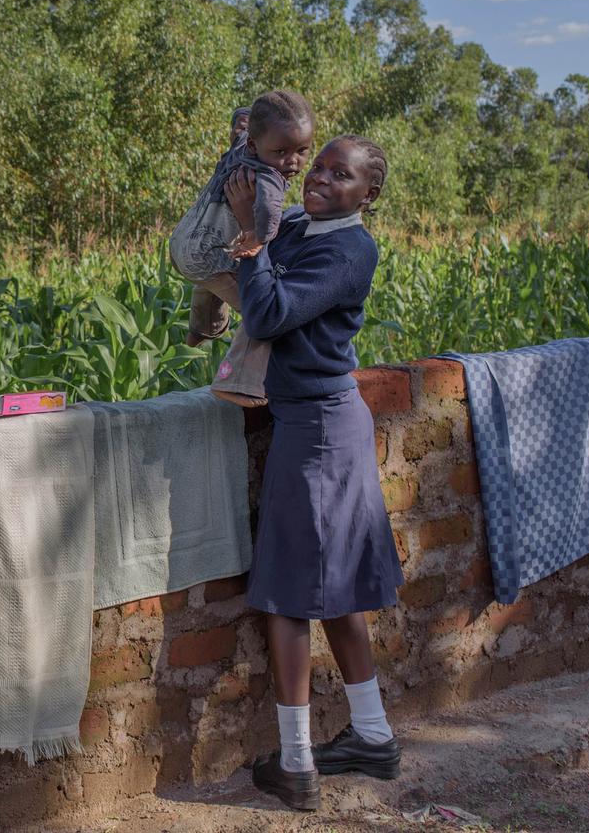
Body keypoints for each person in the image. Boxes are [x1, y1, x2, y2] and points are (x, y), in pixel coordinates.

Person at [223, 134, 404, 812]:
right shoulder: (303, 226)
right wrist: (255, 157)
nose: (321, 178)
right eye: (317, 165)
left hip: (318, 431)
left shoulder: (349, 250)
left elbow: (269, 313)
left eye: (340, 174)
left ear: (368, 194)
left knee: (289, 596)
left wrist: (250, 239)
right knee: (336, 589)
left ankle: (296, 763)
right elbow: (267, 212)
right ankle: (372, 736)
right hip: (320, 424)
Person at [168, 90, 315, 405]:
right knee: (262, 308)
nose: (292, 161)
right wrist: (260, 237)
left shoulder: (242, 146)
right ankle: (236, 382)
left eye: (302, 150)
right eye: (281, 151)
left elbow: (240, 125)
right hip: (208, 256)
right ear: (255, 146)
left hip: (184, 242)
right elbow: (270, 214)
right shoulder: (269, 176)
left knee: (214, 279)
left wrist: (244, 119)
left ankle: (201, 331)